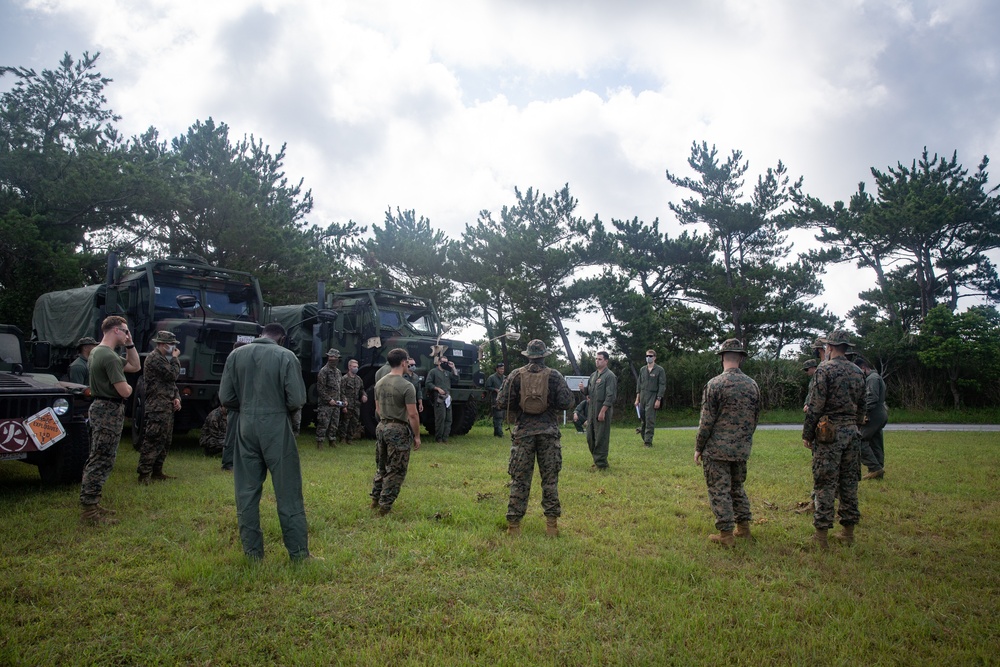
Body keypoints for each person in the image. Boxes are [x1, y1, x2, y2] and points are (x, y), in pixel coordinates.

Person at [219, 322, 311, 561]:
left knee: (246, 492)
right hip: (276, 425)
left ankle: (252, 554)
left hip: (245, 424)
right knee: (288, 491)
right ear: (281, 338)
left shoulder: (236, 354)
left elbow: (226, 397)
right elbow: (296, 399)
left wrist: (249, 407)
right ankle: (299, 554)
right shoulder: (286, 356)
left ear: (261, 334)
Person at [497, 340, 574, 537]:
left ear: (528, 355)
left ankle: (513, 527)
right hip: (548, 433)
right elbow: (566, 402)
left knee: (519, 480)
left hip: (523, 433)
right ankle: (551, 527)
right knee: (549, 480)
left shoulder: (515, 375)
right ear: (544, 355)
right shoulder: (554, 376)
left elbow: (501, 402)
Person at [694, 339, 761, 547]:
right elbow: (755, 418)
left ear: (722, 357)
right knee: (737, 487)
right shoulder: (752, 385)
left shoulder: (715, 384)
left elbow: (706, 421)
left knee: (719, 490)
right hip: (741, 448)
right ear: (740, 358)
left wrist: (698, 447)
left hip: (717, 450)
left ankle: (726, 535)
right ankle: (744, 529)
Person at [802, 329, 866, 548]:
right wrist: (855, 427)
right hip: (852, 432)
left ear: (829, 347)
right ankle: (848, 533)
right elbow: (862, 406)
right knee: (849, 483)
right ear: (846, 348)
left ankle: (821, 536)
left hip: (829, 433)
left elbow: (815, 406)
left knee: (825, 483)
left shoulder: (824, 370)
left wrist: (807, 433)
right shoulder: (858, 372)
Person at [79, 315, 141, 525]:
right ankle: (89, 511)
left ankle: (93, 503)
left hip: (100, 408)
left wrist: (130, 343)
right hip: (108, 410)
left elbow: (135, 365)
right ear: (116, 330)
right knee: (102, 458)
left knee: (98, 455)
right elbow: (124, 391)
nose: (126, 335)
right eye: (125, 331)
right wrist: (130, 388)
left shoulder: (98, 351)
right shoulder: (110, 357)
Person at [371, 347, 421, 515]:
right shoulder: (407, 386)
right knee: (396, 469)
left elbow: (377, 409)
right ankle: (385, 506)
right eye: (407, 361)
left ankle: (375, 500)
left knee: (381, 466)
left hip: (381, 426)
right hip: (398, 429)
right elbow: (413, 414)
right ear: (403, 362)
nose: (408, 364)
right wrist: (417, 436)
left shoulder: (379, 382)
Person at [138, 331, 182, 484]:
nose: (174, 348)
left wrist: (177, 397)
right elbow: (172, 375)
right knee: (153, 439)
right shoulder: (155, 358)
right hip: (157, 406)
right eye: (172, 345)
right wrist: (175, 359)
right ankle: (144, 474)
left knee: (165, 440)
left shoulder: (164, 358)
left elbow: (171, 383)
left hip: (167, 405)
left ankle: (157, 471)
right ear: (163, 344)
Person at [580, 351, 617, 470]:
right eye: (596, 359)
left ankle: (601, 464)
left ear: (606, 361)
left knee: (601, 437)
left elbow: (610, 396)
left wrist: (603, 411)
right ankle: (596, 460)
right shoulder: (593, 375)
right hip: (591, 410)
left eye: (600, 359)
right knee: (590, 437)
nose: (597, 361)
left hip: (602, 410)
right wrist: (583, 390)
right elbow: (590, 392)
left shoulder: (609, 376)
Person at [855, 356, 888, 480]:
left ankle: (874, 468)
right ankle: (878, 469)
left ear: (863, 368)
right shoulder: (876, 377)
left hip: (873, 413)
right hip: (880, 413)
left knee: (860, 440)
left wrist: (862, 413)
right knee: (875, 441)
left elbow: (871, 398)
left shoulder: (872, 379)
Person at [634, 349, 666, 447]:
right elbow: (639, 385)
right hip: (643, 396)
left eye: (650, 356)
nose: (648, 358)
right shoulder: (642, 369)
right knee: (643, 419)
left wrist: (658, 399)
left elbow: (662, 385)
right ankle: (644, 437)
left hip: (653, 396)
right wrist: (637, 399)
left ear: (654, 357)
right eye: (647, 356)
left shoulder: (659, 370)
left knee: (650, 418)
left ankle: (648, 442)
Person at [315, 348, 343, 449]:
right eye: (331, 357)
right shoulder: (324, 371)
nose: (332, 359)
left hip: (336, 403)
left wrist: (342, 400)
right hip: (326, 404)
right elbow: (320, 389)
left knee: (334, 423)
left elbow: (340, 387)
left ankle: (332, 440)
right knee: (323, 422)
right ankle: (320, 442)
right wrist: (328, 400)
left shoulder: (338, 372)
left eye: (335, 357)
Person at [425, 355, 457, 442]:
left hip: (447, 397)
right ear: (439, 362)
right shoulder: (433, 372)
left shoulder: (447, 372)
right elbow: (428, 383)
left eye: (446, 362)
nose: (444, 364)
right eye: (443, 362)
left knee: (448, 418)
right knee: (440, 418)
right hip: (438, 397)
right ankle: (439, 438)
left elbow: (456, 378)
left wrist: (453, 367)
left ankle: (445, 438)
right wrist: (437, 388)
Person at [338, 358, 368, 445]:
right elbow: (341, 392)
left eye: (357, 366)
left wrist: (364, 395)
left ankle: (350, 438)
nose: (356, 368)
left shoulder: (359, 379)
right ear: (349, 367)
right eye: (354, 366)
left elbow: (362, 390)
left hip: (356, 405)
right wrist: (344, 405)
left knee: (354, 422)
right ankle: (342, 438)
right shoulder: (344, 379)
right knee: (345, 422)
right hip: (348, 405)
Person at [484, 362, 506, 437]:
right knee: (498, 416)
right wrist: (495, 389)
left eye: (503, 369)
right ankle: (500, 433)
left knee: (501, 416)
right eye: (500, 369)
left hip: (503, 399)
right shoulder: (491, 377)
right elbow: (487, 387)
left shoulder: (505, 378)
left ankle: (496, 432)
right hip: (495, 399)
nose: (502, 370)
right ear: (497, 369)